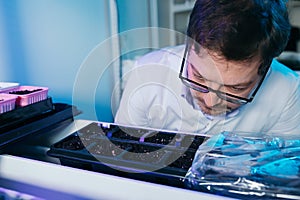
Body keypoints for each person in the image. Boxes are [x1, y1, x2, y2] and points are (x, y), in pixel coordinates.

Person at [115, 0, 300, 136]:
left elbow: (280, 175)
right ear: (187, 45)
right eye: (199, 77)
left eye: (235, 88)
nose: (212, 103)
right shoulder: (147, 74)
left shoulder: (288, 92)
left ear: (266, 67)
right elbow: (124, 157)